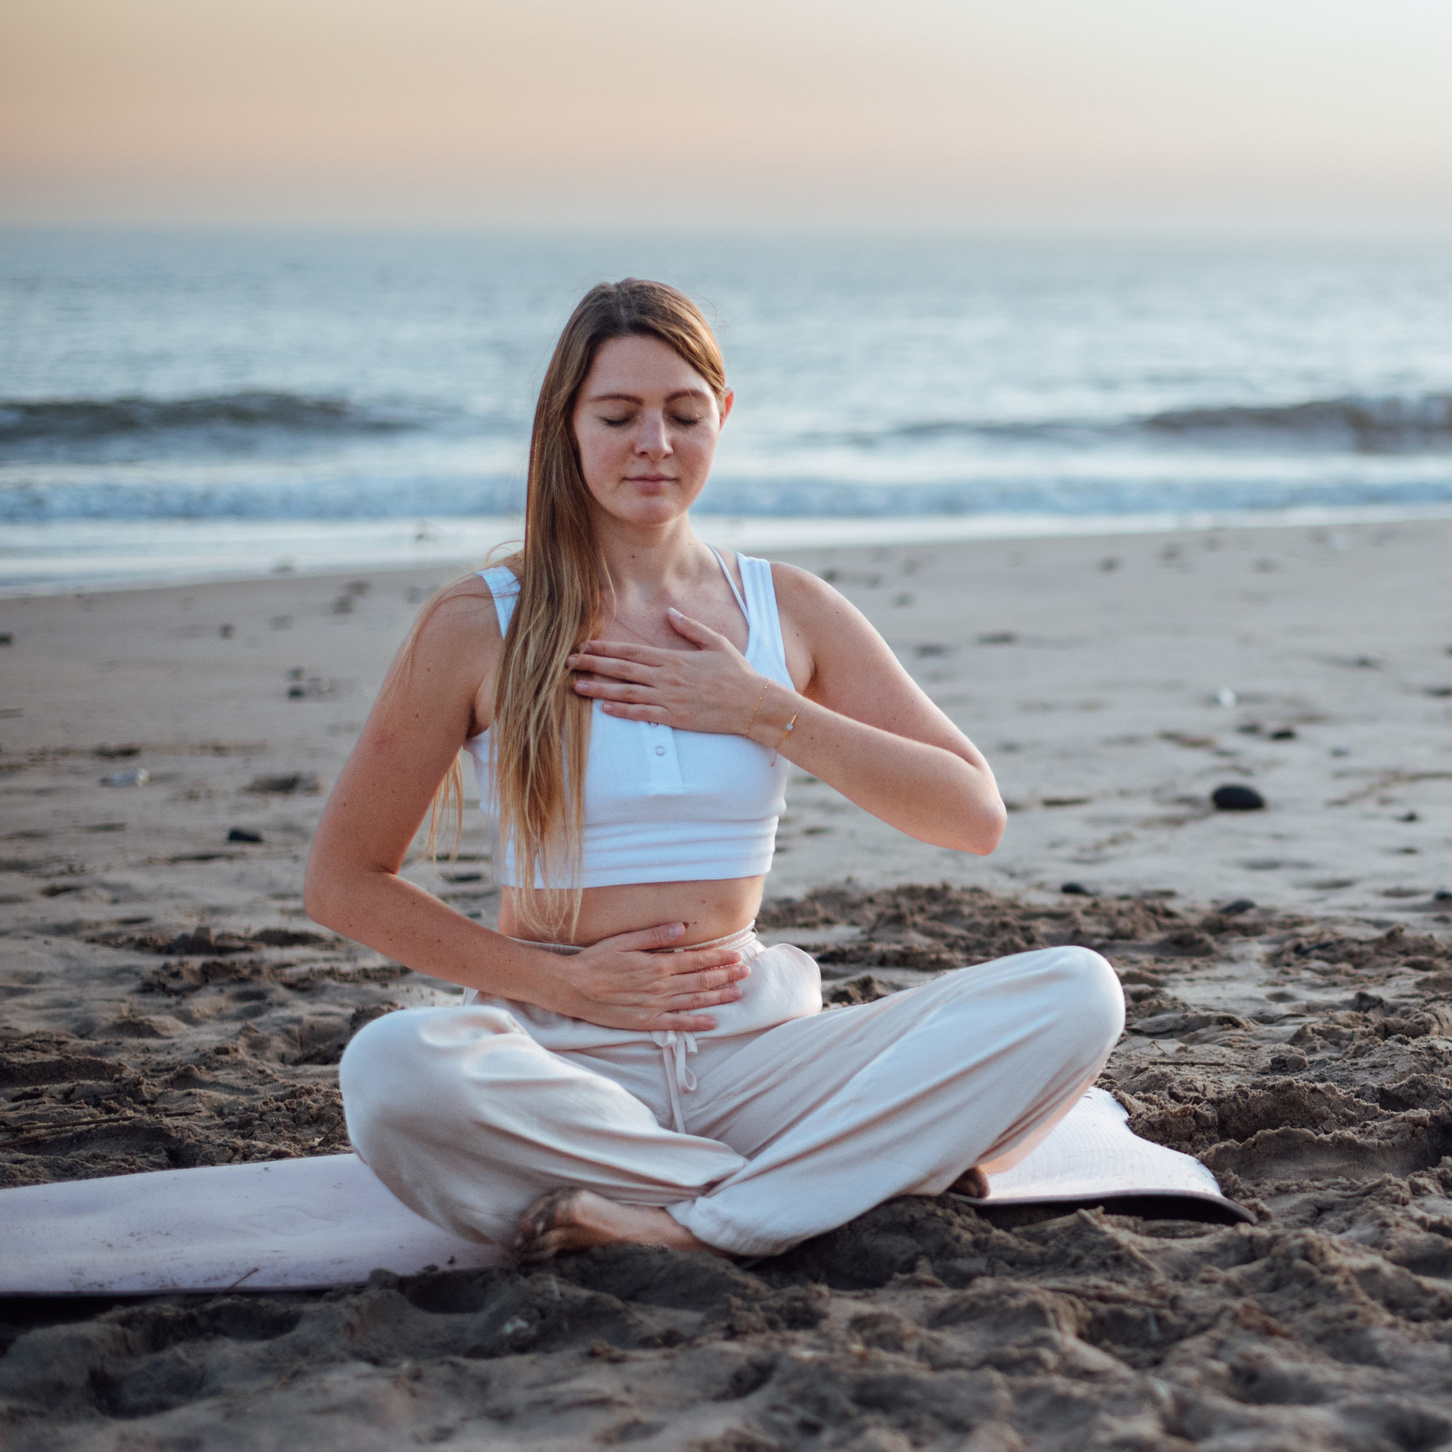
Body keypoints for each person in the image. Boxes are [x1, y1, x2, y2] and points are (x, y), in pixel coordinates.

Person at [306, 278, 1124, 1263]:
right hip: (561, 1061)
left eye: (684, 415)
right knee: (393, 1069)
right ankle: (807, 1198)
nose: (654, 442)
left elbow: (972, 815)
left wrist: (761, 709)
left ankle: (693, 1227)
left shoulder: (789, 610)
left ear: (722, 419)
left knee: (1077, 991)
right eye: (618, 415)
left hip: (760, 1055)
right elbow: (344, 880)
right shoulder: (480, 623)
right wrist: (553, 986)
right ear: (565, 425)